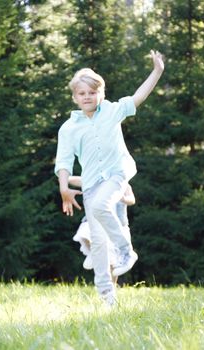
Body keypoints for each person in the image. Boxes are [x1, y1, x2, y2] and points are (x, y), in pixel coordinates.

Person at [55, 50, 164, 306]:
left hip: (117, 174)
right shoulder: (69, 128)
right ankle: (107, 299)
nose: (87, 97)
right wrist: (64, 189)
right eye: (82, 93)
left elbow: (139, 96)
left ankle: (126, 250)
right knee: (99, 246)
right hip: (91, 184)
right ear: (74, 97)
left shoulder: (113, 111)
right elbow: (63, 163)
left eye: (92, 92)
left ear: (100, 93)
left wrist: (157, 70)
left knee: (103, 206)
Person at [70, 176, 135, 286]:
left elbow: (132, 200)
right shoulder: (96, 180)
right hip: (96, 222)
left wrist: (123, 199)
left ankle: (111, 287)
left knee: (113, 261)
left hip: (117, 226)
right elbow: (82, 179)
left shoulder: (123, 184)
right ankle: (92, 253)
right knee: (84, 232)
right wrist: (65, 177)